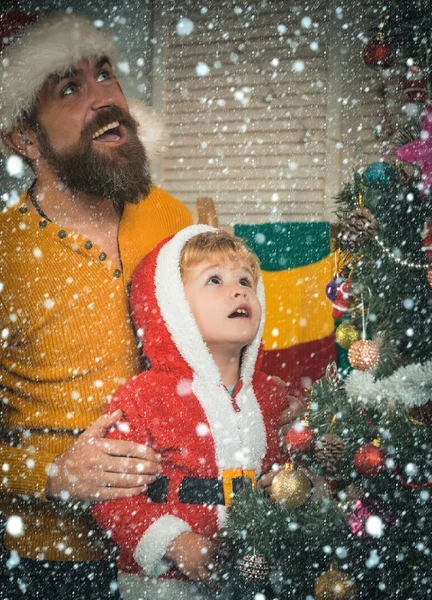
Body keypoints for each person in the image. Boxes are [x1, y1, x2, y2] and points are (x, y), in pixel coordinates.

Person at [0, 11, 193, 598]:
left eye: (105, 74)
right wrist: (55, 474)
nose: (104, 98)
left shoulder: (169, 218)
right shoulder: (6, 254)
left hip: (175, 537)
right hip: (53, 563)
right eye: (70, 87)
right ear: (26, 139)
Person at [92, 226, 292, 600]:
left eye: (246, 280)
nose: (239, 290)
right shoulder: (143, 396)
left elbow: (293, 470)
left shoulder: (271, 396)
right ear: (173, 308)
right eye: (214, 279)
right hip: (166, 585)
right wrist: (175, 541)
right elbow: (112, 497)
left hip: (259, 577)